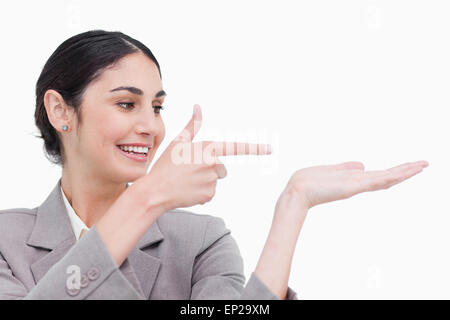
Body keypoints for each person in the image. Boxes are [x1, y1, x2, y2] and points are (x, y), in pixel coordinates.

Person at [0, 30, 428, 300]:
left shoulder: (200, 240)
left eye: (158, 107)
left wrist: (293, 205)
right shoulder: (6, 241)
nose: (150, 126)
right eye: (127, 103)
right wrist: (148, 198)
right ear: (60, 111)